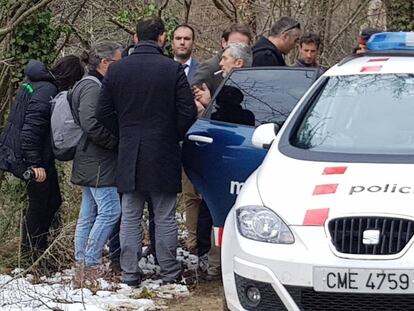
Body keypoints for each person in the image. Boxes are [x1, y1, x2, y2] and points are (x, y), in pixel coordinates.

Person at [96, 16, 197, 286]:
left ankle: (129, 273)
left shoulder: (117, 70)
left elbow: (101, 112)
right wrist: (170, 134)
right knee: (163, 216)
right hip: (163, 151)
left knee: (130, 216)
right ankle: (169, 272)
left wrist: (124, 133)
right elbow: (188, 111)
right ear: (163, 38)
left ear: (135, 38)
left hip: (129, 151)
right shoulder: (172, 70)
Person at [0, 56, 84, 263]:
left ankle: (37, 253)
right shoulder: (47, 91)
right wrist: (34, 164)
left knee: (51, 200)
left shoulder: (36, 84)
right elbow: (31, 130)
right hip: (30, 158)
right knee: (41, 205)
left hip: (28, 154)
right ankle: (31, 259)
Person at [193, 42, 253, 281]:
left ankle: (220, 265)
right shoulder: (228, 84)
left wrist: (209, 105)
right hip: (225, 161)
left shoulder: (246, 88)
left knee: (225, 211)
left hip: (235, 162)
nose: (220, 62)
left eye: (225, 58)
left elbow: (234, 120)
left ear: (238, 63)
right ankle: (212, 261)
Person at [71, 42, 122, 278]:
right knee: (111, 210)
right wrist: (115, 142)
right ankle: (89, 263)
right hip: (98, 159)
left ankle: (82, 266)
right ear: (104, 62)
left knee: (89, 213)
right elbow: (91, 123)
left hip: (90, 158)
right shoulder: (92, 87)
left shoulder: (87, 84)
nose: (121, 67)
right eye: (117, 62)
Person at [171, 23, 201, 254]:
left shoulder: (203, 71)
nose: (182, 42)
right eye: (179, 38)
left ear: (193, 42)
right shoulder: (161, 69)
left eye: (187, 38)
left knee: (192, 195)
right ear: (171, 41)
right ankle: (163, 244)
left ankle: (194, 242)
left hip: (195, 143)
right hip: (166, 142)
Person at [192, 23, 252, 96]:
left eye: (242, 46)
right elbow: (192, 97)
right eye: (234, 45)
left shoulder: (250, 69)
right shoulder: (210, 67)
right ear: (224, 42)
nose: (238, 49)